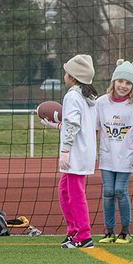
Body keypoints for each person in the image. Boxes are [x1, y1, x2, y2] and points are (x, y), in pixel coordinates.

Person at [41, 54, 98, 249]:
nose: (64, 75)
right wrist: (57, 127)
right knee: (65, 191)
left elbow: (73, 124)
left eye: (66, 72)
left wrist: (65, 150)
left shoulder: (73, 95)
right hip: (82, 151)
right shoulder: (86, 96)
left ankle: (84, 236)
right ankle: (73, 231)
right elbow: (77, 124)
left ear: (72, 76)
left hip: (75, 153)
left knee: (75, 194)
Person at [95, 60, 133, 244]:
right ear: (114, 81)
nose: (123, 86)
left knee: (120, 191)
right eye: (120, 81)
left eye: (128, 83)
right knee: (108, 192)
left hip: (126, 156)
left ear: (132, 86)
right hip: (107, 155)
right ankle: (109, 231)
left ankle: (125, 231)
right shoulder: (101, 102)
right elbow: (95, 128)